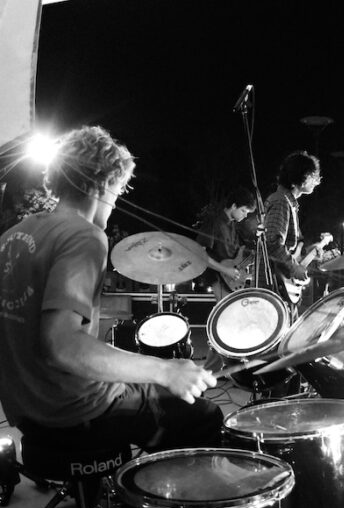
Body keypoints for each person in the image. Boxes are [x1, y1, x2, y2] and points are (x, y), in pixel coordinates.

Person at [0, 125, 223, 452]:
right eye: (117, 192)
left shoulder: (13, 237)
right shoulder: (84, 236)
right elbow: (61, 345)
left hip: (28, 413)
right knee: (204, 415)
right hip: (77, 409)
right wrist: (165, 370)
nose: (115, 203)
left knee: (144, 384)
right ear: (103, 183)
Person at [263, 151, 322, 307]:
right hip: (273, 281)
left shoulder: (288, 203)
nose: (316, 181)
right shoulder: (281, 202)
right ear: (301, 177)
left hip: (280, 281)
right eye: (313, 176)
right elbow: (272, 243)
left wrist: (309, 251)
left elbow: (288, 247)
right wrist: (294, 267)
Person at [195, 186, 257, 302]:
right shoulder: (214, 222)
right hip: (217, 279)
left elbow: (234, 258)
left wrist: (245, 266)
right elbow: (199, 254)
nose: (245, 216)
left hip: (230, 280)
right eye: (243, 211)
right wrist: (225, 270)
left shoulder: (233, 226)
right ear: (234, 206)